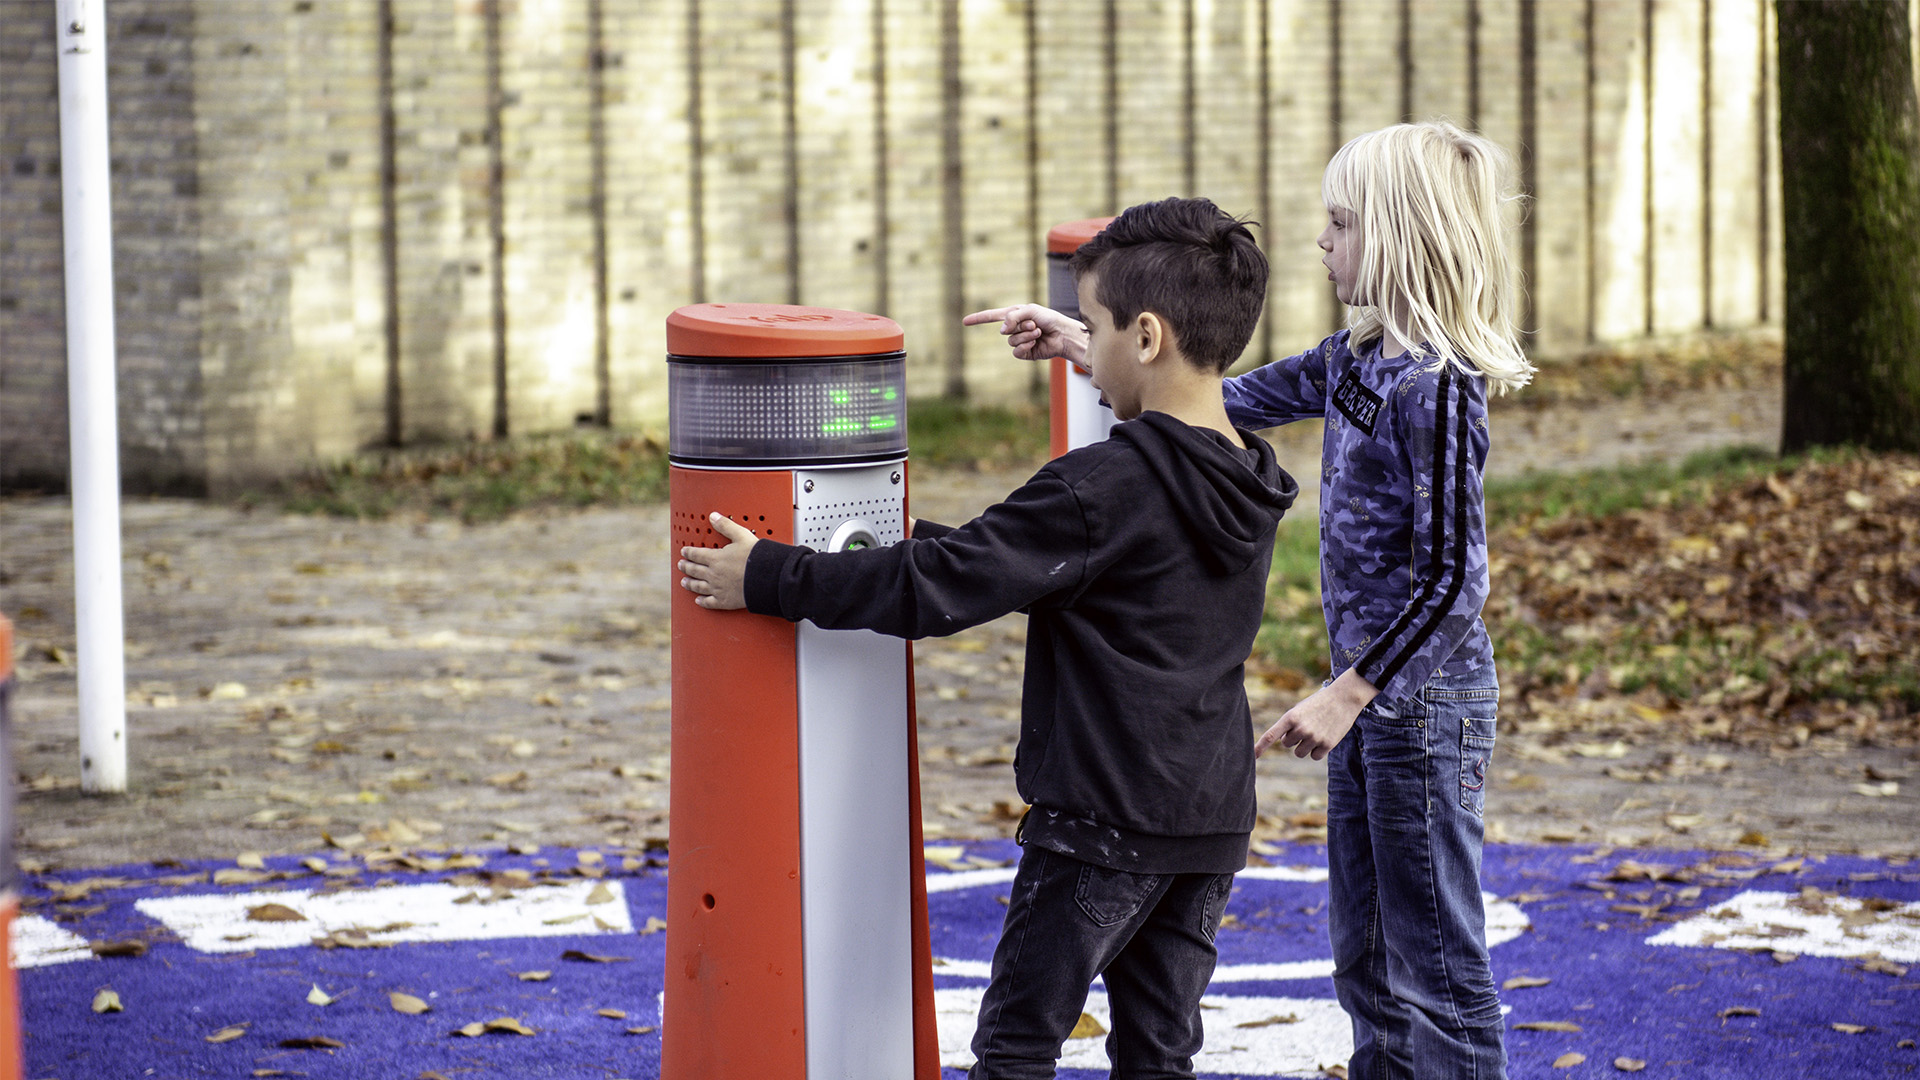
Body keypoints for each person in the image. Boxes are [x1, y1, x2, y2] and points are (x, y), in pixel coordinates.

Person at [678, 197, 1298, 1080]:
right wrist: (888, 536)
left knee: (1016, 1047)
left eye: (1094, 327)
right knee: (1159, 1052)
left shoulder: (1106, 485)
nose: (1089, 353)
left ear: (1148, 337)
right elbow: (999, 559)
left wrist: (771, 577)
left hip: (1099, 823)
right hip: (1207, 819)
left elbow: (943, 587)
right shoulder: (1246, 472)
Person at [965, 121, 1533, 1079]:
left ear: (1402, 235)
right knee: (1367, 956)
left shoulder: (1435, 388)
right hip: (1378, 699)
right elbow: (1224, 396)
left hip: (1422, 705)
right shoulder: (1357, 356)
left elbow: (1453, 582)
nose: (1322, 242)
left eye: (1342, 224)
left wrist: (1348, 692)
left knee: (1431, 960)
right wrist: (1084, 340)